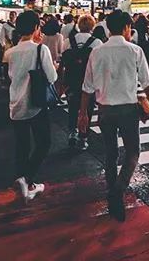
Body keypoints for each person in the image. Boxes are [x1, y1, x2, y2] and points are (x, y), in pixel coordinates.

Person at [79, 10, 149, 221]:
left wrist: (83, 113)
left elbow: (87, 87)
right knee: (132, 152)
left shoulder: (97, 52)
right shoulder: (135, 50)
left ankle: (113, 192)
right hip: (128, 109)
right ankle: (117, 191)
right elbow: (147, 84)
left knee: (110, 153)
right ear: (127, 27)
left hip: (105, 110)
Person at [7, 11, 57, 204]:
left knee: (22, 146)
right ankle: (27, 179)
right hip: (35, 104)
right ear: (37, 28)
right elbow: (52, 78)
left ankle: (24, 182)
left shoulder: (10, 52)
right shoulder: (40, 49)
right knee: (43, 143)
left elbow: (12, 77)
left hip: (15, 103)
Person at [58, 14, 103, 150]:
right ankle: (83, 137)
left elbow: (63, 61)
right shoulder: (97, 43)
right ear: (92, 26)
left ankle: (72, 132)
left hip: (71, 80)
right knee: (88, 109)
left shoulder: (68, 41)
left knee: (72, 107)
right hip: (89, 81)